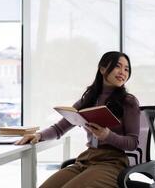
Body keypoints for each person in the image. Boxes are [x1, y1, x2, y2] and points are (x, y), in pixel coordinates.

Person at [16, 51, 140, 188]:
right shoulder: (89, 99)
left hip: (112, 162)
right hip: (86, 159)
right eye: (118, 66)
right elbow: (59, 128)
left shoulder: (129, 101)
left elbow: (133, 143)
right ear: (102, 69)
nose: (123, 72)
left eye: (127, 69)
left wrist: (107, 135)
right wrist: (38, 135)